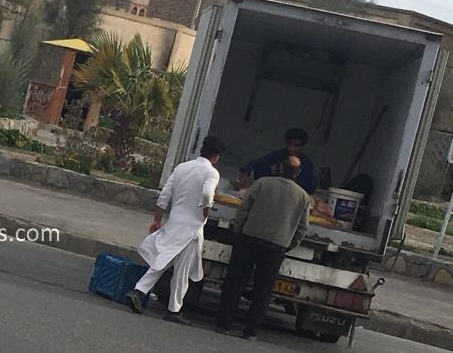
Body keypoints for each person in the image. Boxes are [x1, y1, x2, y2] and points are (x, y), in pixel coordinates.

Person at [126, 135, 225, 325]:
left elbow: (164, 195)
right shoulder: (212, 173)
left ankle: (139, 291)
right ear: (216, 156)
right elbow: (207, 193)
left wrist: (157, 220)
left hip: (174, 223)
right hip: (192, 229)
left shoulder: (182, 167)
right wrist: (206, 210)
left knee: (163, 260)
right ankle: (173, 309)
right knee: (181, 271)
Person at [216, 155, 311, 340]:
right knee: (263, 290)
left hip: (249, 239)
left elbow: (244, 208)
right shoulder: (303, 196)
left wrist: (239, 230)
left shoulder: (262, 183)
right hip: (276, 246)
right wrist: (289, 244)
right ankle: (250, 331)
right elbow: (303, 228)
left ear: (279, 168)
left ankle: (224, 324)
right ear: (298, 173)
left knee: (235, 282)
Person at [237, 127, 317, 194]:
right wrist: (245, 173)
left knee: (313, 181)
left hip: (294, 191)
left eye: (296, 146)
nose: (292, 148)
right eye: (290, 145)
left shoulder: (307, 164)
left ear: (302, 146)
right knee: (261, 167)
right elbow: (259, 162)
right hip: (275, 186)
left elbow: (305, 185)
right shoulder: (280, 154)